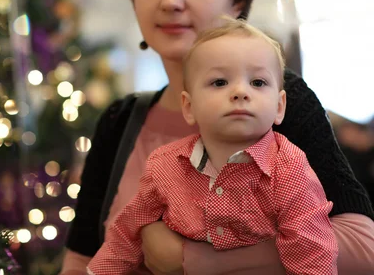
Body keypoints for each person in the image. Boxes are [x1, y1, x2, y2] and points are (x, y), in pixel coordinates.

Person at [61, 0, 374, 275]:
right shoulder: (120, 121)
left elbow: (364, 247)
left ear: (237, 0)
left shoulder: (269, 104)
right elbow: (80, 263)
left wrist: (196, 260)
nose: (171, 0)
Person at [87, 19, 337, 275]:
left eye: (258, 83)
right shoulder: (164, 166)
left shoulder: (289, 170)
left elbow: (313, 254)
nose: (240, 92)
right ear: (189, 107)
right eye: (219, 82)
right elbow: (128, 231)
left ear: (279, 106)